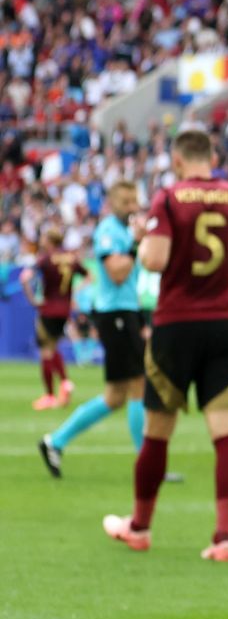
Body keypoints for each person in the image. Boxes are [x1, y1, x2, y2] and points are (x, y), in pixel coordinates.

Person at [103, 129, 228, 562]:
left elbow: (154, 260)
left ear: (177, 160)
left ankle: (139, 527)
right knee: (226, 431)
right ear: (212, 156)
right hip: (226, 325)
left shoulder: (170, 198)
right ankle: (223, 538)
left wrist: (140, 240)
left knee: (158, 432)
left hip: (176, 325)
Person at [39, 181, 144, 475]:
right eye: (126, 202)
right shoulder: (109, 231)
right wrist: (136, 244)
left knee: (115, 396)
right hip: (115, 314)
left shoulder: (123, 231)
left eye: (134, 200)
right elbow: (117, 273)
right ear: (112, 203)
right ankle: (146, 462)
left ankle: (55, 441)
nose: (133, 207)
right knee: (137, 385)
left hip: (126, 311)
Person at [21, 228, 85, 411]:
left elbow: (25, 278)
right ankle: (65, 383)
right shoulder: (71, 258)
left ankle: (50, 395)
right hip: (64, 309)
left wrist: (33, 299)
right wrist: (74, 294)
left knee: (45, 351)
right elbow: (89, 276)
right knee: (53, 347)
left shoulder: (45, 259)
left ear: (50, 240)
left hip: (48, 308)